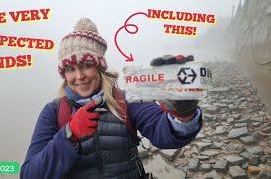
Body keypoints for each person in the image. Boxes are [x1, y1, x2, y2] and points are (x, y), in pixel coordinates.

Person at [20, 18, 202, 179]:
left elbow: (166, 135)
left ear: (100, 67)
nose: (79, 76)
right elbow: (30, 174)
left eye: (86, 65)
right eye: (70, 69)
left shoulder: (126, 100)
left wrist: (182, 112)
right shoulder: (54, 111)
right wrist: (69, 135)